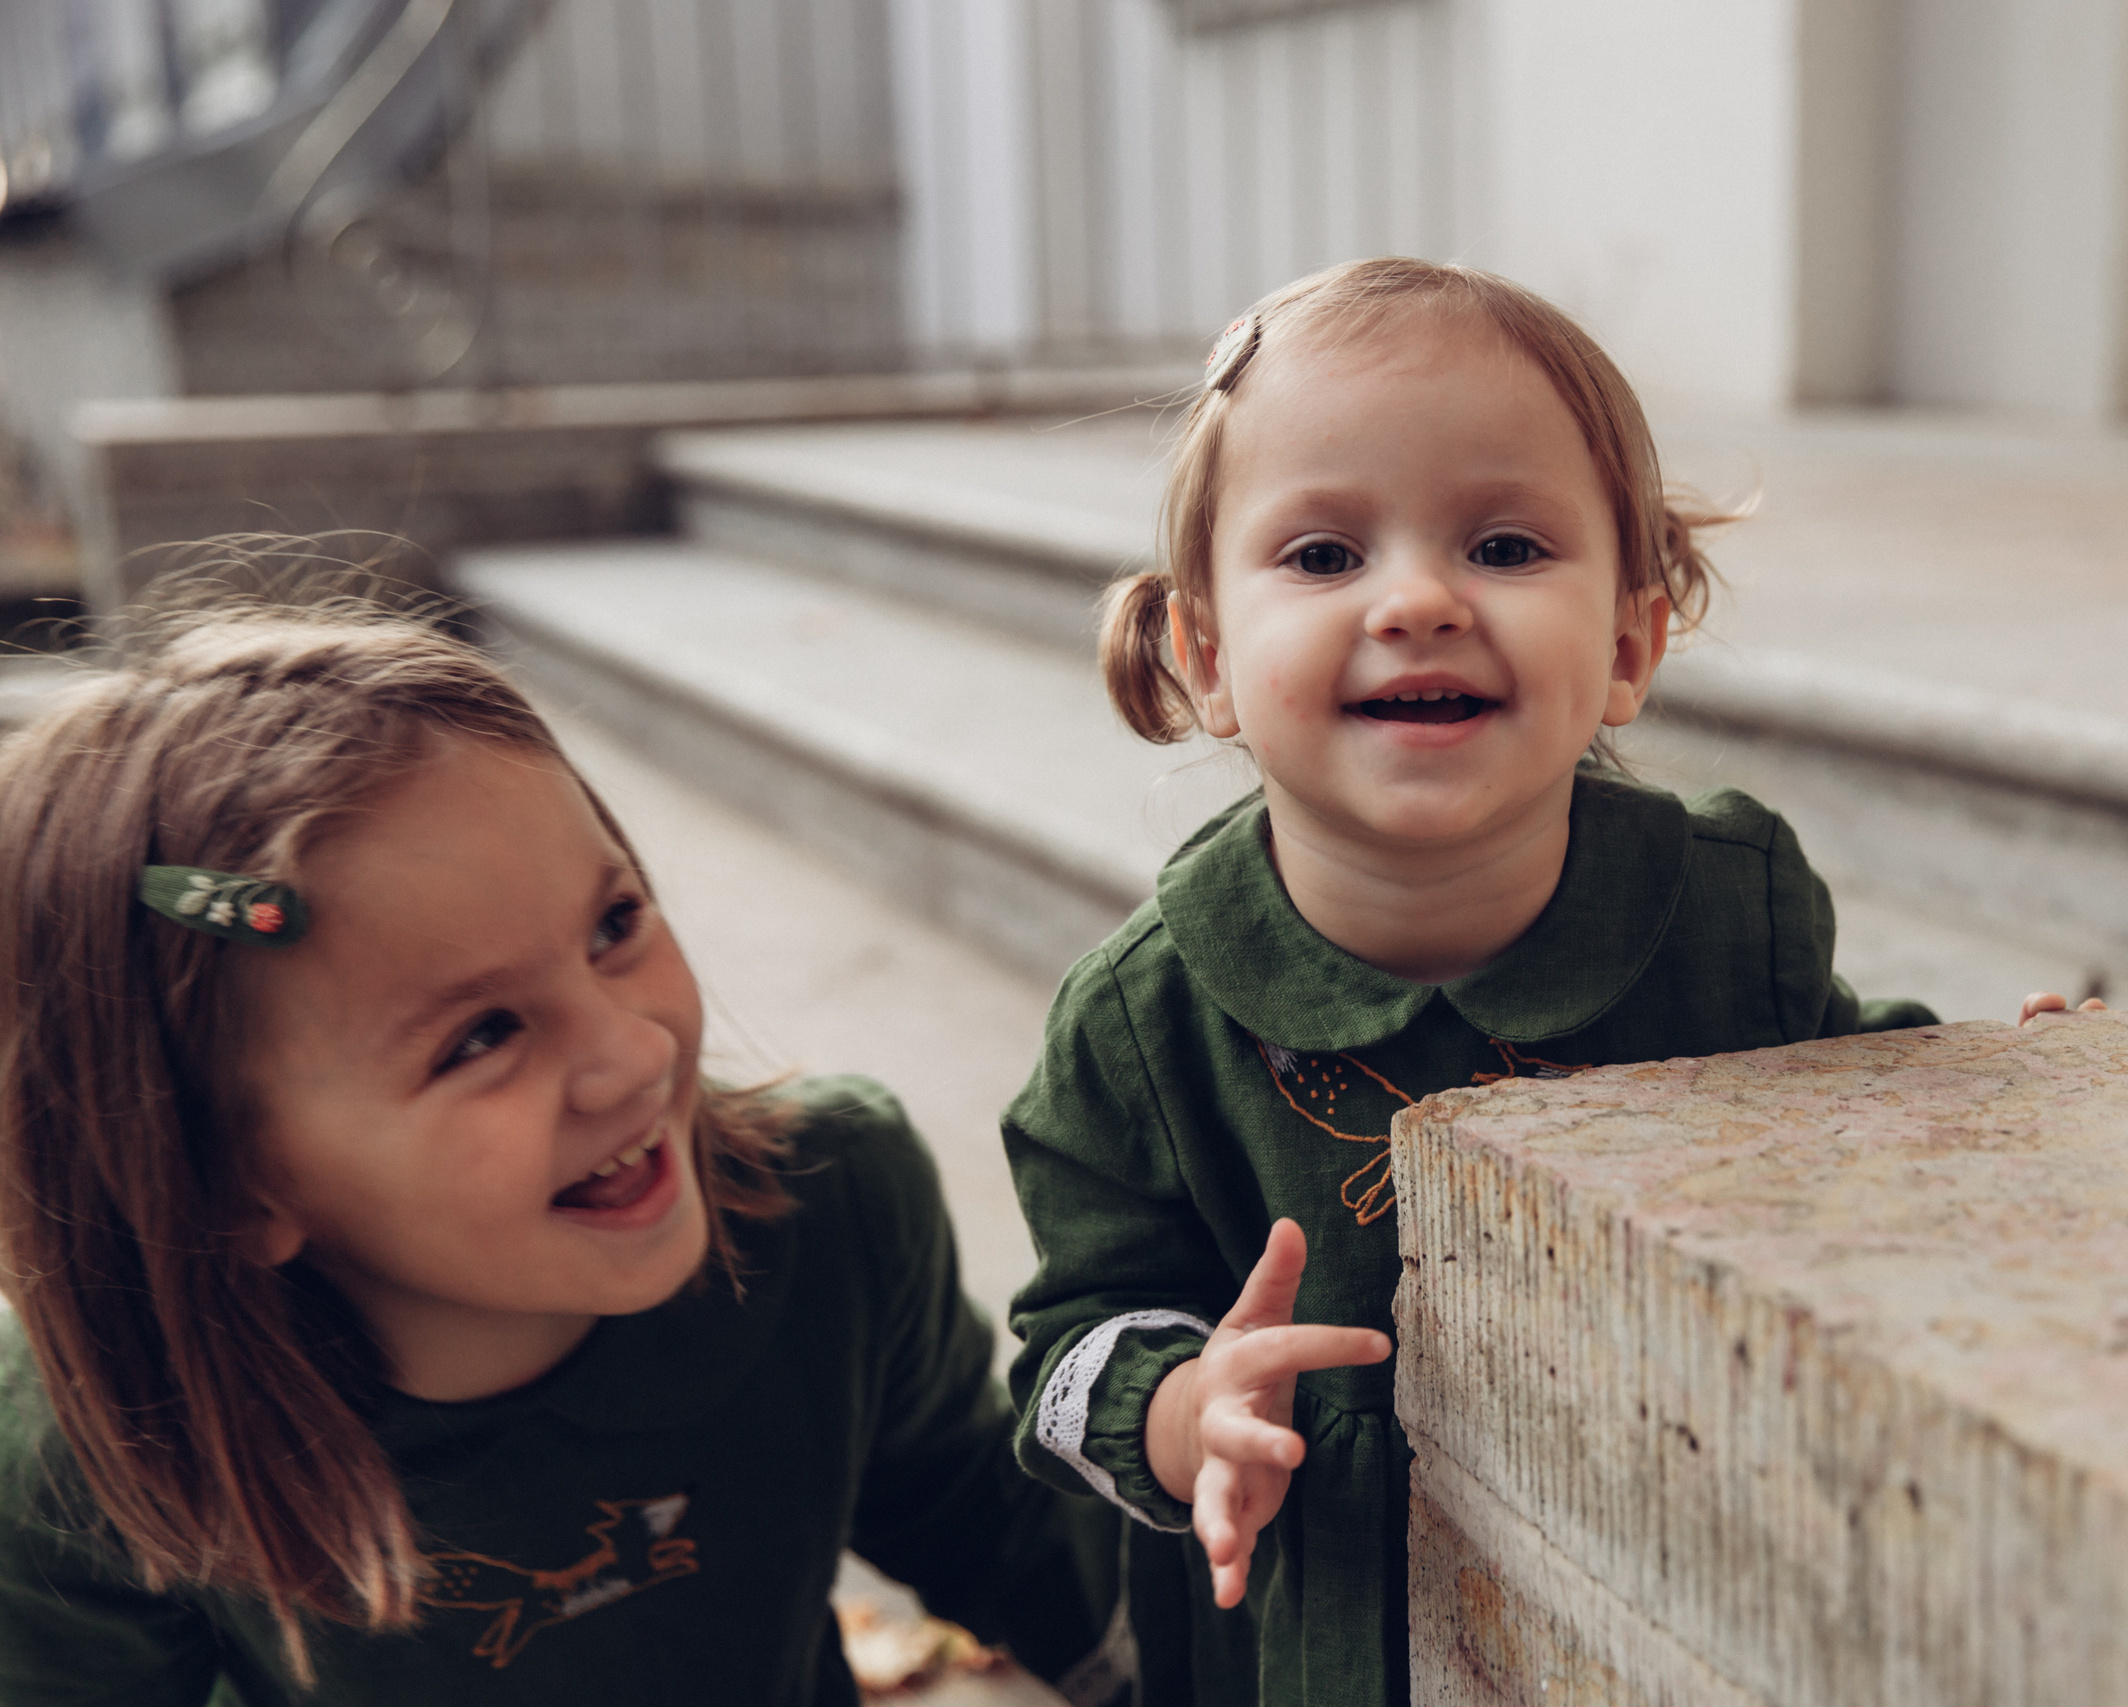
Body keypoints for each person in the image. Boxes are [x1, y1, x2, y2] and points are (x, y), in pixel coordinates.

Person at [999, 257, 1945, 1707]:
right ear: (1208, 655)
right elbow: (1067, 1356)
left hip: (1666, 1573)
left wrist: (1994, 1108)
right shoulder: (1145, 1023)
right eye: (1323, 555)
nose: (1421, 598)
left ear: (1629, 642)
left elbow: (1834, 1101)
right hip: (1323, 1630)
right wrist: (1191, 1410)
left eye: (1504, 545)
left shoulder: (1724, 909)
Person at [0, 600, 1122, 1705]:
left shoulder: (834, 1203)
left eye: (613, 926)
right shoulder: (88, 1443)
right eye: (480, 1037)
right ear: (223, 1190)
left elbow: (980, 1515)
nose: (630, 1057)